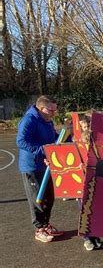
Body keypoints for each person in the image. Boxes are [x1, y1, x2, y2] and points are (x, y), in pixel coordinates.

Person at [16, 95, 64, 243]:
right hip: (32, 166)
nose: (53, 114)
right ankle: (39, 229)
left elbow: (54, 137)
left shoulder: (47, 121)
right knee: (37, 198)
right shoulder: (29, 120)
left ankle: (46, 225)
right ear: (41, 108)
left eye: (55, 110)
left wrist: (67, 139)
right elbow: (21, 141)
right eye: (51, 110)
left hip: (46, 165)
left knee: (49, 197)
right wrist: (43, 150)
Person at [76, 114, 102, 251]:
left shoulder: (97, 151)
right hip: (81, 188)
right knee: (84, 212)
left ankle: (95, 237)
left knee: (94, 212)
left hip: (94, 187)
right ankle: (87, 238)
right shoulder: (78, 150)